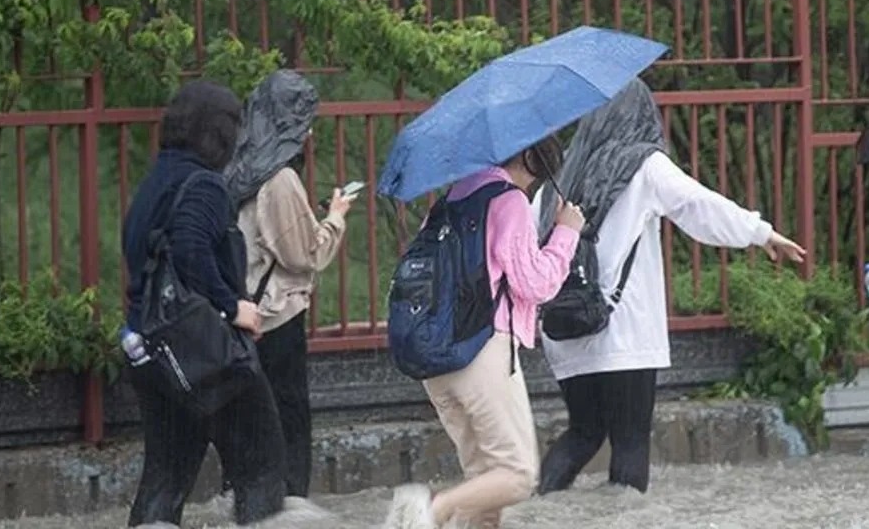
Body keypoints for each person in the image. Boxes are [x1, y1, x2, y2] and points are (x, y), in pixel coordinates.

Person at [533, 79, 807, 496]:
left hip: (565, 325)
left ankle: (537, 510)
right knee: (630, 441)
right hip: (623, 330)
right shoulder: (644, 165)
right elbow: (698, 205)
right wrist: (761, 232)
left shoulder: (567, 169)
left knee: (584, 433)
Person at [382, 134, 585, 529]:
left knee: (483, 488)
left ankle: (439, 513)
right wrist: (567, 232)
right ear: (529, 153)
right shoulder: (508, 200)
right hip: (483, 352)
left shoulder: (450, 200)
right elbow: (535, 283)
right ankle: (429, 509)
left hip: (439, 359)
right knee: (517, 474)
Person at [120, 80, 287, 527]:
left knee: (165, 477)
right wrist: (233, 306)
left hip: (151, 352)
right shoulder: (205, 187)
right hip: (209, 357)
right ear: (218, 133)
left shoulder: (154, 185)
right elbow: (191, 248)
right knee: (262, 466)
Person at [221, 69, 354, 499]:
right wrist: (335, 216)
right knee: (288, 412)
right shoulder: (279, 178)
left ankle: (247, 495)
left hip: (242, 310)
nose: (310, 130)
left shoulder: (237, 167)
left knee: (251, 414)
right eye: (305, 120)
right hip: (276, 316)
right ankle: (288, 500)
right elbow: (304, 254)